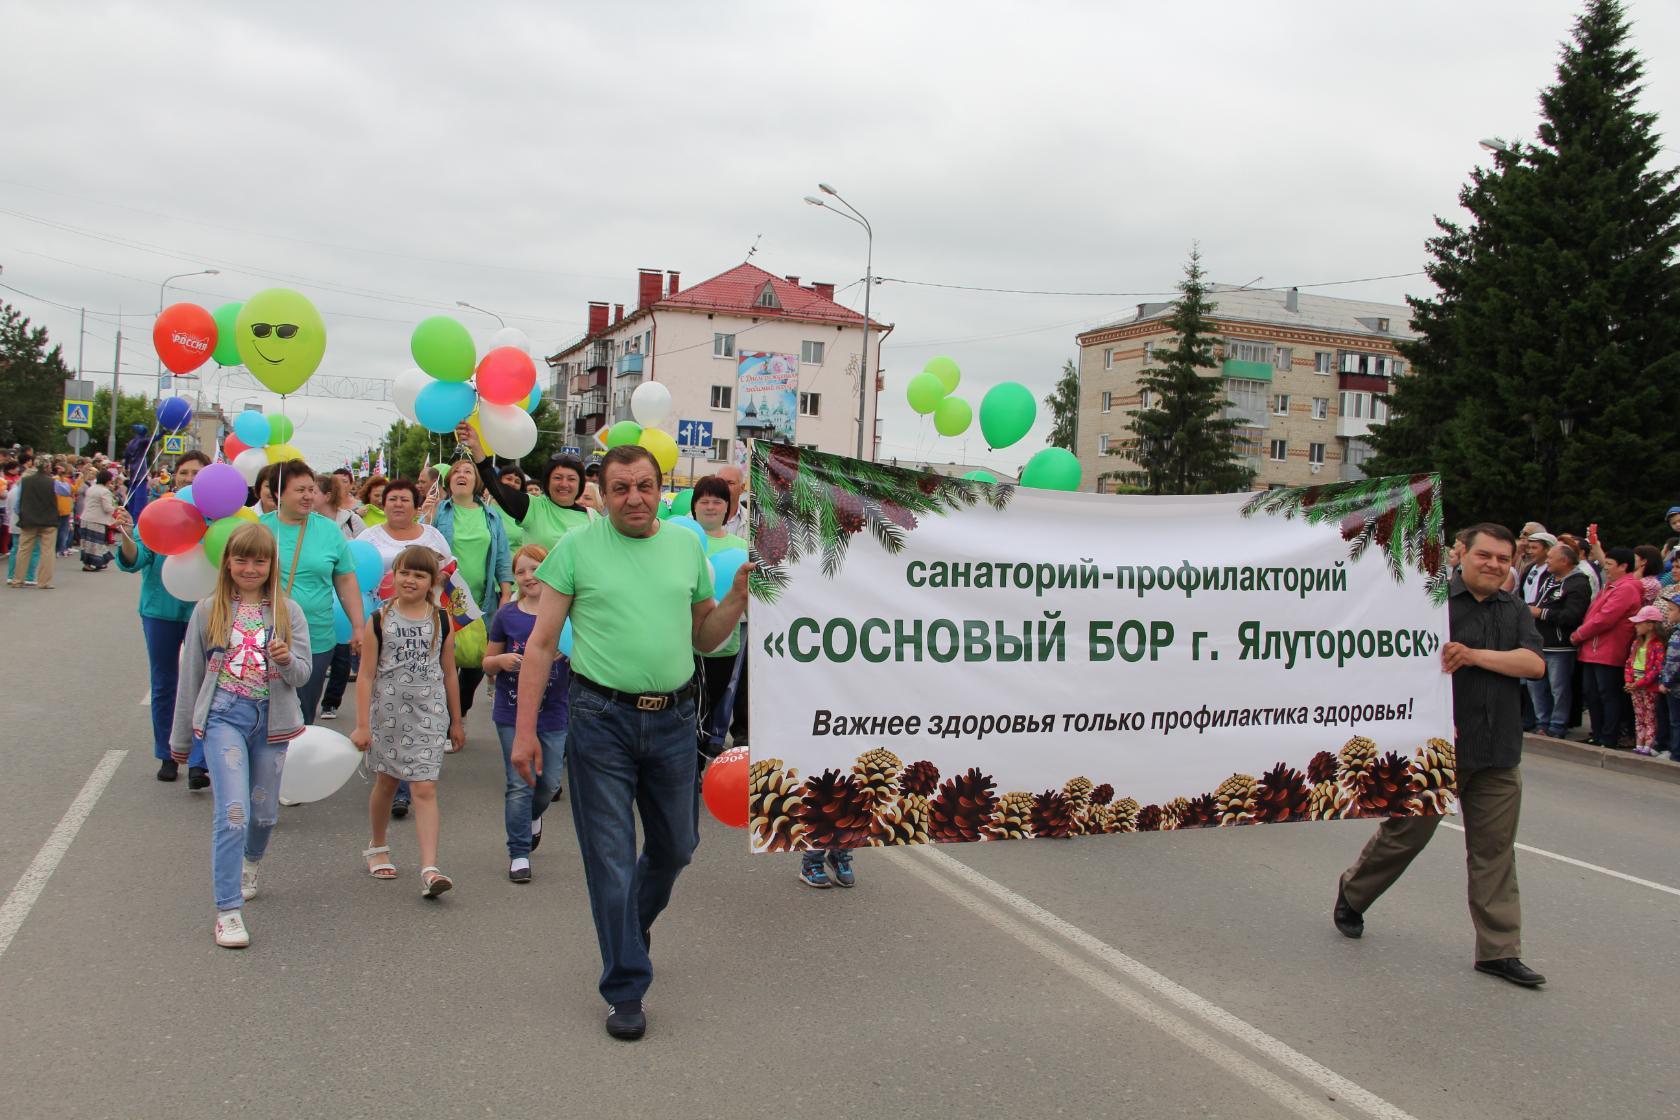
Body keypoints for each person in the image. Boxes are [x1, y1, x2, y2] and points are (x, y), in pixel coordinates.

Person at [511, 444, 751, 1040]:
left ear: (659, 487)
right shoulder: (576, 548)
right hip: (601, 721)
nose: (634, 498)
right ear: (603, 492)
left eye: (644, 486)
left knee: (678, 847)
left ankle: (628, 930)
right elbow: (541, 644)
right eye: (620, 488)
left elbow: (704, 636)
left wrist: (737, 599)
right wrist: (526, 732)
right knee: (611, 861)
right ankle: (625, 986)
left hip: (674, 722)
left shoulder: (685, 545)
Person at [1334, 523, 1547, 987]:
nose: (1494, 565)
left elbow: (1533, 664)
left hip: (1498, 753)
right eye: (1485, 555)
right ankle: (1354, 893)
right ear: (1461, 553)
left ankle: (1498, 951)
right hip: (1435, 752)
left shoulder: (1514, 608)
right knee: (1404, 837)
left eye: (1503, 558)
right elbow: (1393, 665)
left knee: (1494, 853)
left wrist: (1473, 655)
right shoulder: (1428, 603)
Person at [170, 523, 313, 949]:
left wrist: (286, 660)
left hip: (272, 721)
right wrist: (181, 740)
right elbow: (190, 676)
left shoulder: (289, 612)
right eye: (241, 560)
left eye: (259, 561)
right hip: (223, 718)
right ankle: (228, 910)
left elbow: (302, 674)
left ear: (271, 565)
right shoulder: (207, 610)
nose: (250, 569)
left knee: (264, 814)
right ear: (227, 563)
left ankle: (251, 863)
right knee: (233, 813)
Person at [350, 545, 464, 899]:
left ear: (432, 581)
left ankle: (430, 868)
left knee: (424, 787)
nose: (410, 580)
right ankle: (378, 845)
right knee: (386, 782)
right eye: (404, 572)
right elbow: (366, 675)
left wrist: (456, 722)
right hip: (388, 716)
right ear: (394, 575)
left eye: (419, 574)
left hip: (429, 715)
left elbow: (449, 672)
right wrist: (362, 725)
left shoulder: (441, 619)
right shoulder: (379, 619)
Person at [356, 479, 455, 817]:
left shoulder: (432, 536)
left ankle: (408, 788)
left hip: (425, 621)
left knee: (420, 694)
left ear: (416, 505)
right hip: (384, 623)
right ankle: (393, 784)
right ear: (382, 504)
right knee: (390, 697)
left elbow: (449, 572)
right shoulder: (368, 537)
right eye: (392, 499)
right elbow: (354, 574)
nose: (398, 504)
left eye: (405, 499)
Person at [114, 451, 211, 785]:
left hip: (206, 611)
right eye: (185, 472)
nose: (190, 478)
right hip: (161, 610)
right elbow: (136, 558)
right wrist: (126, 534)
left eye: (198, 473)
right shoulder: (159, 512)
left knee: (206, 684)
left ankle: (199, 759)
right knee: (164, 683)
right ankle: (167, 754)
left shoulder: (218, 517)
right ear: (175, 476)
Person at [484, 544, 568, 883]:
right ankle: (519, 853)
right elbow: (487, 662)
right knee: (519, 784)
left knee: (548, 783)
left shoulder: (565, 613)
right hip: (511, 712)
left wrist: (570, 653)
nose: (528, 576)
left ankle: (533, 817)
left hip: (555, 713)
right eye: (520, 571)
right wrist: (501, 661)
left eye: (535, 569)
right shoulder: (507, 615)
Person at [259, 459, 365, 724]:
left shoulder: (329, 530)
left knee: (303, 714)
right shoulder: (259, 529)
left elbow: (346, 580)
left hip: (315, 637)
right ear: (278, 493)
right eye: (300, 490)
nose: (308, 496)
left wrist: (358, 627)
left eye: (311, 490)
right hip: (264, 635)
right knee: (263, 712)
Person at [428, 459, 513, 715]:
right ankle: (446, 719)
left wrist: (506, 592)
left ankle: (460, 711)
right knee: (445, 660)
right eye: (456, 471)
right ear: (449, 481)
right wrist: (426, 514)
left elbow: (502, 556)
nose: (462, 475)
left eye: (468, 471)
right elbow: (424, 546)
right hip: (445, 598)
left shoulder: (491, 515)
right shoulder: (439, 511)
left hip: (482, 600)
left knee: (476, 662)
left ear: (476, 481)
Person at [456, 423, 592, 553]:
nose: (564, 484)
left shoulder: (592, 518)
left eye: (571, 479)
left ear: (580, 484)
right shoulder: (534, 507)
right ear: (547, 482)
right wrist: (476, 446)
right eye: (557, 477)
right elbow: (495, 486)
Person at [691, 475, 748, 757]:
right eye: (704, 501)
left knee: (709, 709)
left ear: (727, 507)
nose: (711, 507)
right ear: (694, 506)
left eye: (717, 501)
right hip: (683, 643)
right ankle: (688, 766)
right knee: (686, 711)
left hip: (725, 645)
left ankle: (698, 761)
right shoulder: (682, 540)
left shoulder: (743, 547)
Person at [1573, 546, 1641, 748]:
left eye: (1610, 564)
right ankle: (1598, 734)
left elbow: (1605, 619)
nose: (1606, 568)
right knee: (1592, 694)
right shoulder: (1611, 586)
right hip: (1593, 649)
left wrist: (1579, 634)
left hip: (1609, 651)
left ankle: (1609, 737)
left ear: (1624, 566)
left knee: (1608, 695)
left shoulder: (1627, 588)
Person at [314, 472, 366, 722]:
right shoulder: (307, 523)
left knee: (343, 651)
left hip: (345, 591)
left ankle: (331, 701)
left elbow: (365, 550)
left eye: (313, 491)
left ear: (327, 495)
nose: (307, 496)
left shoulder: (351, 521)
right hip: (320, 594)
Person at [1528, 542, 1591, 739]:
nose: (1547, 561)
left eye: (1551, 558)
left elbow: (1572, 616)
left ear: (1564, 561)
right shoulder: (1548, 579)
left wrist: (1541, 613)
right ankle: (1542, 723)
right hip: (1539, 644)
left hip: (1560, 647)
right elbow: (1540, 605)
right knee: (1536, 686)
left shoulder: (1578, 583)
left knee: (1559, 689)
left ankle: (1557, 726)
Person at [12, 455, 59, 589]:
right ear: (47, 467)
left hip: (28, 519)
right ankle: (44, 582)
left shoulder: (24, 481)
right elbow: (65, 493)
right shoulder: (53, 482)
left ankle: (18, 580)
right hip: (48, 520)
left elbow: (17, 503)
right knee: (47, 551)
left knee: (23, 550)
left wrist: (21, 514)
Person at [1625, 605, 1667, 755]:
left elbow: (1656, 669)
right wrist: (1629, 680)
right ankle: (1639, 743)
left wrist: (1639, 683)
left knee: (1650, 716)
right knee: (1639, 716)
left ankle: (1649, 745)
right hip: (1635, 686)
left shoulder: (1658, 646)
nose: (1636, 626)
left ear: (1650, 625)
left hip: (1649, 687)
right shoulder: (1636, 643)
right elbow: (1629, 662)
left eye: (1639, 623)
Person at [78, 468, 117, 572]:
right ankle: (96, 563)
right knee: (96, 543)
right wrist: (116, 509)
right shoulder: (105, 491)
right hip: (96, 520)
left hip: (85, 518)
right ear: (108, 480)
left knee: (87, 543)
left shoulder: (91, 488)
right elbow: (107, 508)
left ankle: (88, 563)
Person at [1659, 594, 1680, 760]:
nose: (1668, 613)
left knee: (1675, 721)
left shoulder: (1677, 635)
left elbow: (1673, 662)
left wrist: (1665, 682)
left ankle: (1676, 753)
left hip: (1675, 687)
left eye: (1672, 610)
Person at [716, 464, 748, 537]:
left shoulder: (753, 521)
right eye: (720, 482)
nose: (724, 487)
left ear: (742, 488)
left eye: (730, 483)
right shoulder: (696, 518)